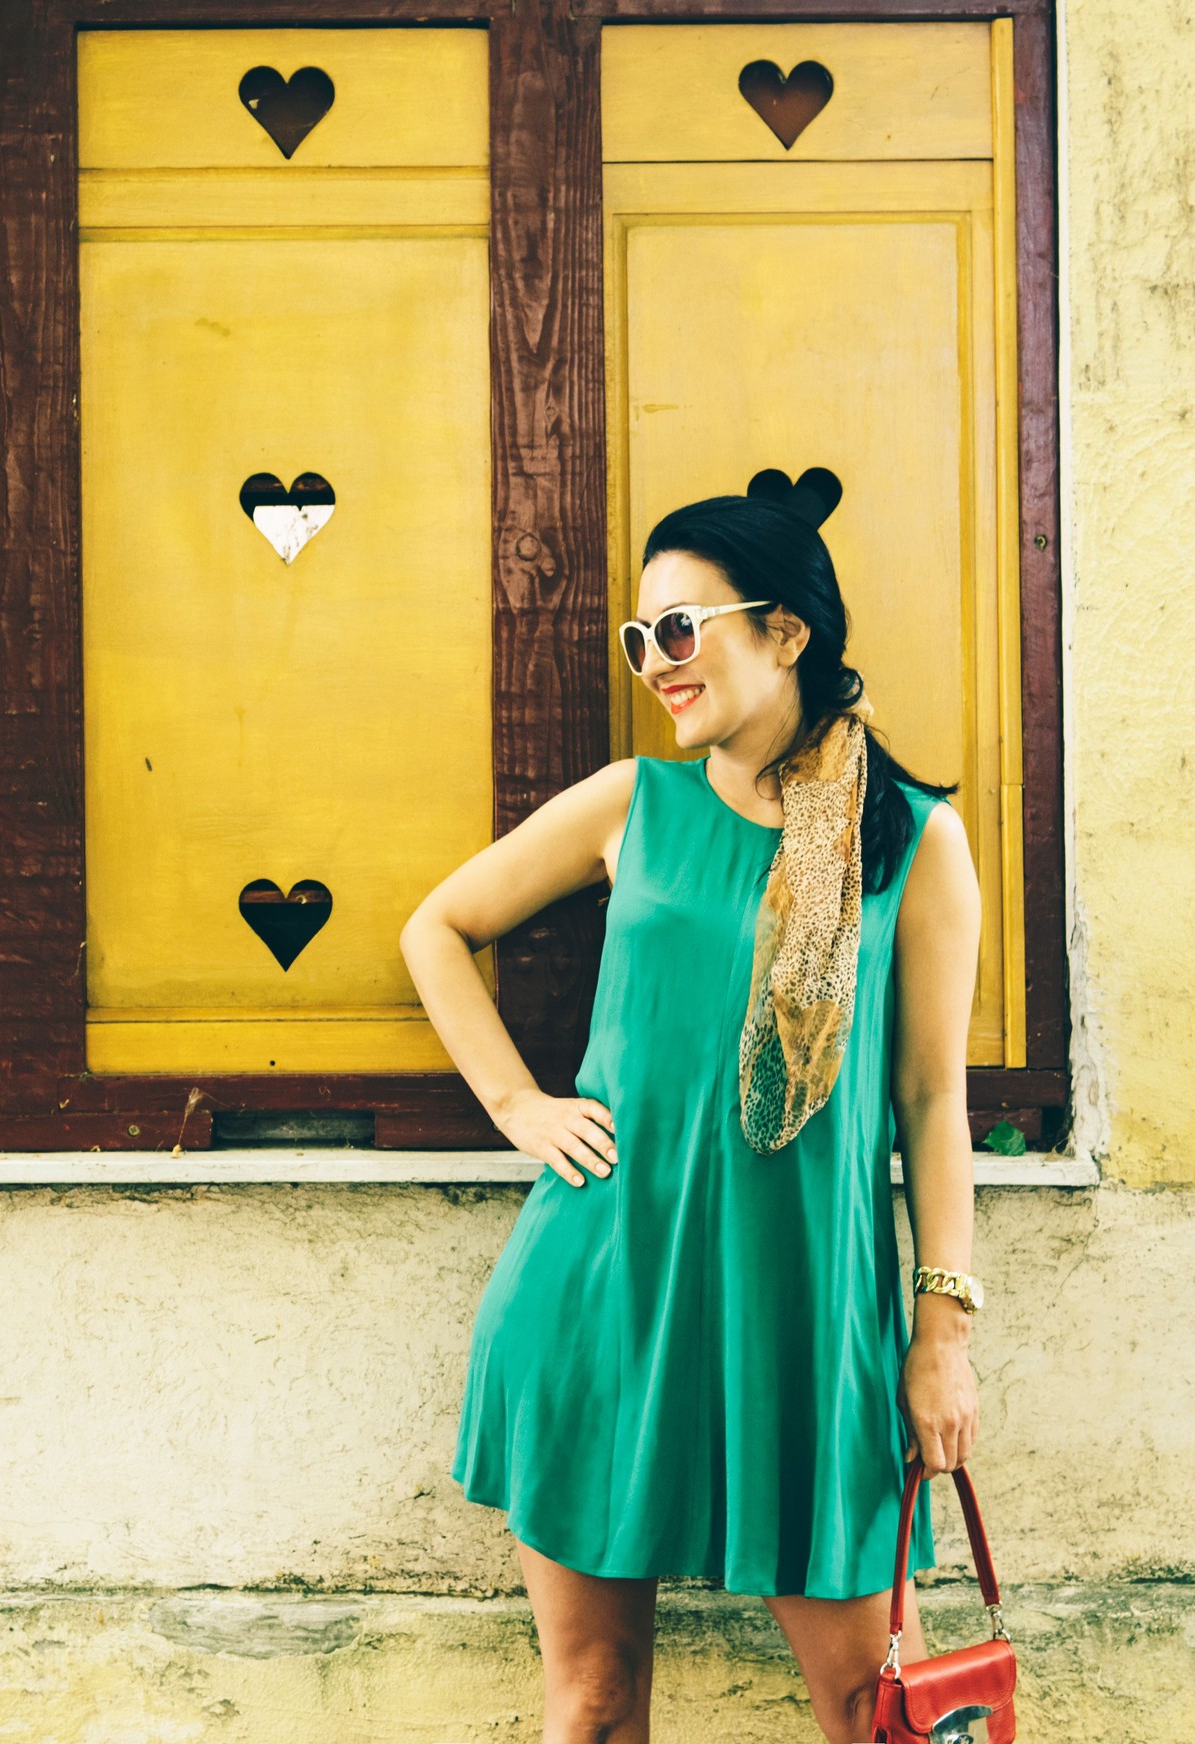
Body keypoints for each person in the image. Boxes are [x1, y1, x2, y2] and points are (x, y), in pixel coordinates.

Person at [398, 485, 985, 1744]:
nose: (656, 663)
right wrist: (517, 1102)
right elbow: (437, 928)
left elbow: (935, 1102)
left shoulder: (913, 843)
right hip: (604, 1300)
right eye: (640, 637)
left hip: (808, 1332)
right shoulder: (632, 806)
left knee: (879, 1714)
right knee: (597, 1709)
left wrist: (941, 1337)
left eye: (681, 629)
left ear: (786, 631)